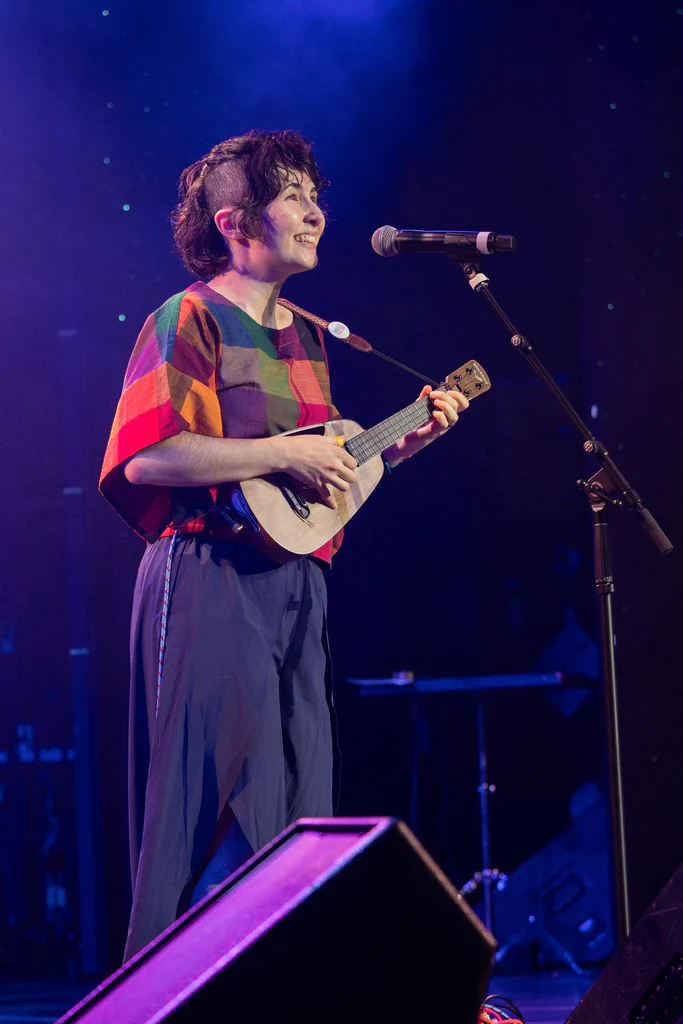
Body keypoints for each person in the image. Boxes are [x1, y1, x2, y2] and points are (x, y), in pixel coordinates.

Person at [99, 129, 468, 961]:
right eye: (294, 195)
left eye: (314, 193)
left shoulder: (306, 335)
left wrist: (394, 451)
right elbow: (150, 454)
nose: (315, 212)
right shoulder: (187, 316)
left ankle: (287, 987)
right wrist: (282, 451)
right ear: (235, 222)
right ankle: (160, 995)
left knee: (297, 801)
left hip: (295, 587)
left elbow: (307, 493)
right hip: (205, 576)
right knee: (205, 804)